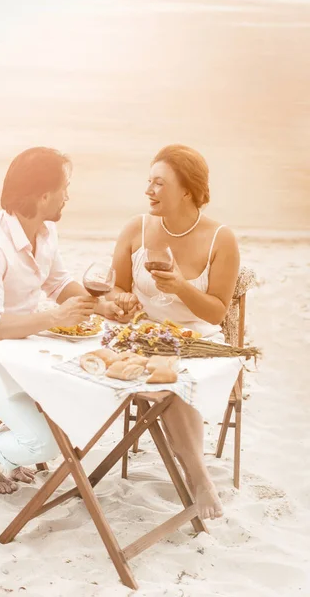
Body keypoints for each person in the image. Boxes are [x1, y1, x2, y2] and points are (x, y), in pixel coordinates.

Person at [0, 147, 125, 495]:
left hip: (21, 354)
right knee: (45, 445)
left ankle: (11, 447)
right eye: (66, 188)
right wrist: (55, 317)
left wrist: (101, 306)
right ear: (45, 195)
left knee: (85, 401)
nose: (68, 196)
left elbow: (58, 283)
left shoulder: (44, 232)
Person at [111, 144, 240, 520]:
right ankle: (198, 475)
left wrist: (181, 287)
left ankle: (197, 476)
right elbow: (116, 287)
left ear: (186, 189)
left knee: (175, 379)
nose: (148, 190)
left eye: (158, 183)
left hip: (198, 340)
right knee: (159, 374)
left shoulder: (222, 238)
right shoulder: (135, 228)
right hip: (142, 336)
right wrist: (126, 303)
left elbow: (217, 311)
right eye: (148, 182)